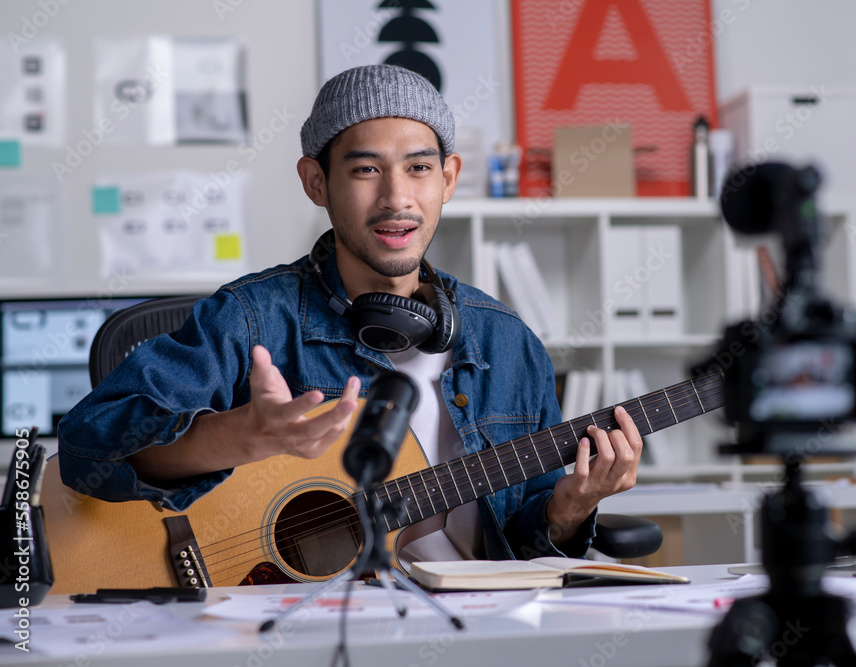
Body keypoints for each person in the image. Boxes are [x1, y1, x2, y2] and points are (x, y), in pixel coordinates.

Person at [57, 64, 642, 570]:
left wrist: (569, 510)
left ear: (449, 179)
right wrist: (236, 436)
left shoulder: (508, 343)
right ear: (317, 182)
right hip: (294, 629)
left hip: (473, 627)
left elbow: (527, 549)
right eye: (366, 170)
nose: (397, 198)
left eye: (418, 168)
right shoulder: (252, 318)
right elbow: (85, 451)